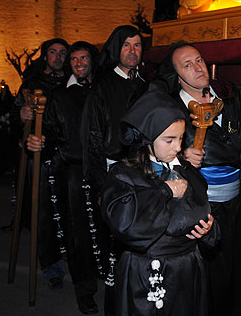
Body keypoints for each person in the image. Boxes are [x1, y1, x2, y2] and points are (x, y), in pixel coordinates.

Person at [151, 41, 241, 316]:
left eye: (198, 60)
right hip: (200, 207)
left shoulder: (231, 98)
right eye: (187, 65)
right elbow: (147, 153)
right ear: (176, 75)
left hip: (238, 204)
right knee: (209, 277)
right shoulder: (170, 110)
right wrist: (180, 156)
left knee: (238, 270)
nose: (197, 68)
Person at [101, 90, 218, 316]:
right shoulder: (124, 176)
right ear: (147, 139)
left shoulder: (186, 171)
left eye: (181, 138)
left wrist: (208, 231)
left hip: (187, 270)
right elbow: (127, 224)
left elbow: (203, 210)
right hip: (147, 273)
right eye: (169, 140)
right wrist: (164, 191)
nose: (177, 147)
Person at [26, 41, 101, 314]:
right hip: (73, 174)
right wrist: (36, 141)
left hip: (104, 172)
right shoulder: (59, 95)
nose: (79, 63)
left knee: (105, 231)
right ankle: (85, 290)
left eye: (84, 58)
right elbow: (49, 132)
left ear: (92, 60)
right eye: (74, 59)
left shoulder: (103, 90)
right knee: (78, 236)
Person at [81, 25, 148, 315]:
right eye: (126, 46)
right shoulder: (102, 86)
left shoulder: (146, 84)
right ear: (116, 49)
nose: (132, 51)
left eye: (137, 45)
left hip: (144, 172)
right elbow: (93, 139)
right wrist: (100, 185)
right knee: (111, 242)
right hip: (113, 171)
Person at [12, 38, 69, 289]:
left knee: (69, 212)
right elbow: (15, 117)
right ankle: (51, 265)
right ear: (45, 56)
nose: (58, 57)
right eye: (53, 52)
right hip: (41, 156)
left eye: (62, 53)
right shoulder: (32, 84)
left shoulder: (72, 82)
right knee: (44, 212)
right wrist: (21, 115)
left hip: (68, 156)